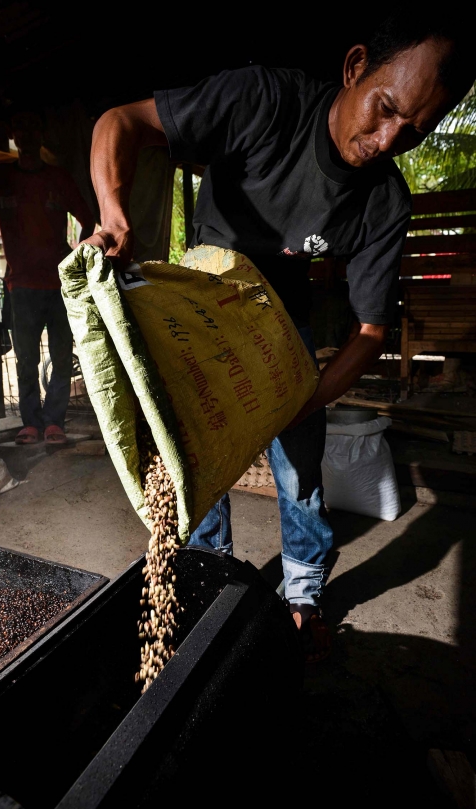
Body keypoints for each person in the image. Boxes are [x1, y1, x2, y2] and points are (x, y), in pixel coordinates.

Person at [84, 10, 475, 661]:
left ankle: (303, 593)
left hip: (278, 323)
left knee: (298, 465)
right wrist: (114, 213)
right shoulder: (267, 100)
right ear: (355, 69)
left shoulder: (385, 202)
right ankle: (211, 575)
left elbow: (371, 331)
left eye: (414, 131)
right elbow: (120, 123)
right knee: (191, 457)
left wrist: (302, 399)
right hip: (203, 300)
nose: (386, 140)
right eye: (383, 109)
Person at [0, 109, 96, 445]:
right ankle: (31, 423)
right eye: (20, 128)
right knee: (25, 358)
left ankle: (54, 423)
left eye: (32, 127)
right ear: (13, 134)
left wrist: (78, 255)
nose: (26, 135)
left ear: (41, 133)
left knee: (63, 354)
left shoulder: (58, 178)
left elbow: (88, 218)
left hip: (60, 285)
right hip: (21, 285)